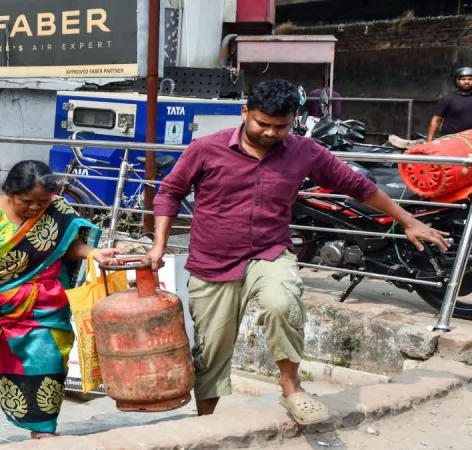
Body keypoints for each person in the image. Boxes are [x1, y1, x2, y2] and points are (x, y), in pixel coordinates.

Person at [146, 79, 449, 426]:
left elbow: (358, 186)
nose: (270, 133)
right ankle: (205, 423)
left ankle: (291, 387)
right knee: (212, 348)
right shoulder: (205, 149)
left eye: (281, 126)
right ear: (245, 113)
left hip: (269, 250)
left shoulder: (305, 151)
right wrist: (159, 245)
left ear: (292, 121)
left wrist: (408, 221)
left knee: (283, 303)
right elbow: (170, 192)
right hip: (212, 259)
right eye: (262, 124)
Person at [0, 160, 119, 439]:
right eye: (27, 202)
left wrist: (92, 253)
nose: (36, 208)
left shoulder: (57, 208)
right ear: (10, 193)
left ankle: (42, 426)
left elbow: (65, 245)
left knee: (49, 361)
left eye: (42, 201)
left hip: (46, 305)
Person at [427, 67, 472, 142]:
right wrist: (429, 141)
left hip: (470, 141)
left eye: (470, 79)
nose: (467, 82)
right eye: (463, 79)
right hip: (450, 140)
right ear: (457, 81)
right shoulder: (447, 99)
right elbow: (436, 120)